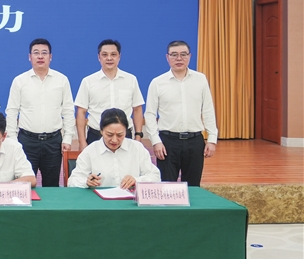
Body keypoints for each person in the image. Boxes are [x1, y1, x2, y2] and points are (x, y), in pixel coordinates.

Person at [144, 40, 218, 186]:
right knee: (167, 187)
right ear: (167, 57)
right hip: (167, 142)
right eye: (174, 55)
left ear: (190, 56)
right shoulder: (157, 82)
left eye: (183, 54)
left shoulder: (200, 79)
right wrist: (156, 141)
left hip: (195, 141)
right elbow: (150, 114)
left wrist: (212, 139)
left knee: (193, 187)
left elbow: (208, 110)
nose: (179, 58)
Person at [5, 38, 74, 187]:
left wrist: (68, 138)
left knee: (52, 186)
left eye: (44, 53)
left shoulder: (62, 80)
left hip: (53, 142)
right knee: (23, 185)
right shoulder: (20, 81)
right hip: (26, 141)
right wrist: (13, 139)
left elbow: (68, 111)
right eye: (36, 53)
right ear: (30, 57)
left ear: (51, 56)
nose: (40, 56)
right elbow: (12, 111)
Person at [75, 39, 145, 149]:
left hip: (124, 136)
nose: (109, 58)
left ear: (119, 57)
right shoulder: (88, 81)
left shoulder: (131, 80)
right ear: (99, 57)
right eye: (104, 55)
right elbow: (81, 112)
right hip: (96, 136)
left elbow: (137, 109)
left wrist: (138, 136)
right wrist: (82, 142)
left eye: (113, 54)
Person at [67, 108, 160, 189]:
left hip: (130, 200)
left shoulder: (137, 148)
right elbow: (72, 181)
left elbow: (155, 177)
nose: (114, 140)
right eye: (109, 135)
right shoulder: (90, 151)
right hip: (99, 201)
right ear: (101, 131)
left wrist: (136, 180)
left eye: (120, 135)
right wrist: (86, 182)